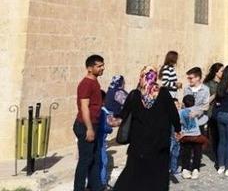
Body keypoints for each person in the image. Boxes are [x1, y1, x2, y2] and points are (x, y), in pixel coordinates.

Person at [113, 66, 181, 191]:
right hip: (159, 144)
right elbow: (173, 114)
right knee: (157, 177)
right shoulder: (164, 93)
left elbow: (123, 116)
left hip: (139, 145)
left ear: (142, 77)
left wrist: (113, 121)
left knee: (134, 175)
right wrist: (177, 130)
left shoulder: (134, 95)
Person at [74, 54, 106, 191]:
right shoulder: (86, 84)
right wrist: (89, 128)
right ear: (89, 68)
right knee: (85, 160)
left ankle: (95, 186)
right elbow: (84, 107)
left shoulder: (94, 82)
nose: (102, 68)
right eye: (99, 66)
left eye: (102, 65)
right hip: (86, 125)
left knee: (95, 158)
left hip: (94, 124)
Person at [178, 94, 205, 180]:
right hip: (196, 135)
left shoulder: (180, 112)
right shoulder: (196, 110)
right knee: (197, 153)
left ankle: (185, 169)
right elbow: (204, 116)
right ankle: (195, 169)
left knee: (186, 153)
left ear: (183, 103)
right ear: (194, 102)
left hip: (185, 135)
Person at [202, 63, 223, 159]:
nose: (223, 73)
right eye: (221, 71)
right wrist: (215, 95)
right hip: (212, 113)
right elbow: (205, 101)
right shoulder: (207, 84)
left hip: (224, 112)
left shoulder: (225, 83)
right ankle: (218, 157)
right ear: (216, 72)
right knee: (215, 136)